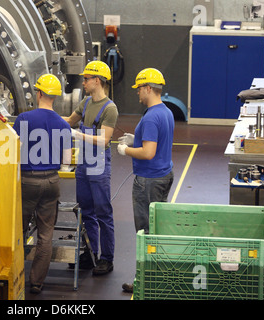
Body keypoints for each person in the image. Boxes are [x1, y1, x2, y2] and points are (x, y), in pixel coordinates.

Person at [13, 74, 72, 294]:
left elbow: (14, 154)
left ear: (38, 93)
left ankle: (15, 275)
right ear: (55, 97)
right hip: (52, 182)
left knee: (17, 231)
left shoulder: (23, 119)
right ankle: (36, 282)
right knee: (46, 235)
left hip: (28, 181)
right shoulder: (63, 125)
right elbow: (66, 161)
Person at [117, 68, 174, 292]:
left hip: (148, 181)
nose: (138, 93)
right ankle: (158, 274)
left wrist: (125, 150)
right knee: (157, 229)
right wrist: (136, 138)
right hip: (164, 175)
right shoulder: (166, 111)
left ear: (149, 88)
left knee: (145, 232)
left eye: (140, 89)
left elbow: (148, 153)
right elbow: (157, 141)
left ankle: (144, 281)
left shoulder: (151, 116)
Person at [64, 61, 119, 275]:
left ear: (98, 81)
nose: (84, 82)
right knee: (85, 211)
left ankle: (107, 258)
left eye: (87, 79)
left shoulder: (110, 109)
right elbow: (69, 121)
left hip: (98, 166)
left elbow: (104, 140)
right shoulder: (85, 103)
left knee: (103, 212)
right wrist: (46, 119)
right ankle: (90, 253)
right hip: (84, 165)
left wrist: (78, 134)